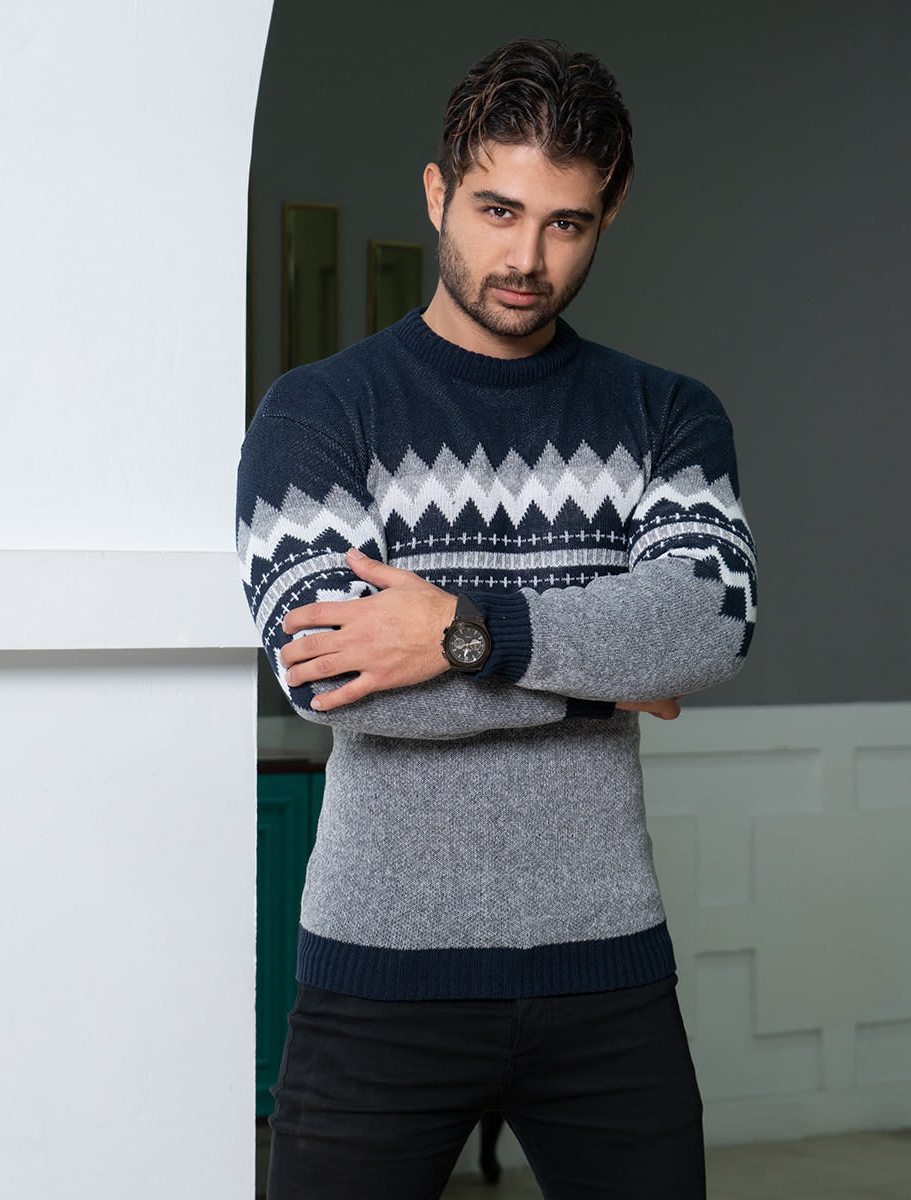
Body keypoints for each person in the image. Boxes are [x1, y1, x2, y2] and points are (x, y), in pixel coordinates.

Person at [237, 38, 756, 1200]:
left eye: (566, 223)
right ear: (437, 194)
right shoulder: (317, 414)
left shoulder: (666, 414)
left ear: (609, 212)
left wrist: (459, 632)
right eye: (497, 210)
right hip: (378, 974)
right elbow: (332, 677)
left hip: (609, 977)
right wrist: (601, 681)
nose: (526, 258)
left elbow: (704, 626)